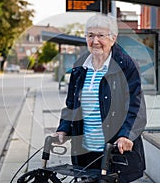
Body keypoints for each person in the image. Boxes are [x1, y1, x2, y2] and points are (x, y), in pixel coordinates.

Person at [53, 14, 147, 182]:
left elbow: (135, 106)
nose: (95, 41)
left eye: (100, 35)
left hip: (114, 151)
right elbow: (71, 105)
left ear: (113, 38)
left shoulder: (126, 65)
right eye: (90, 35)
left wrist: (126, 135)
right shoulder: (80, 68)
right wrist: (63, 128)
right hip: (85, 150)